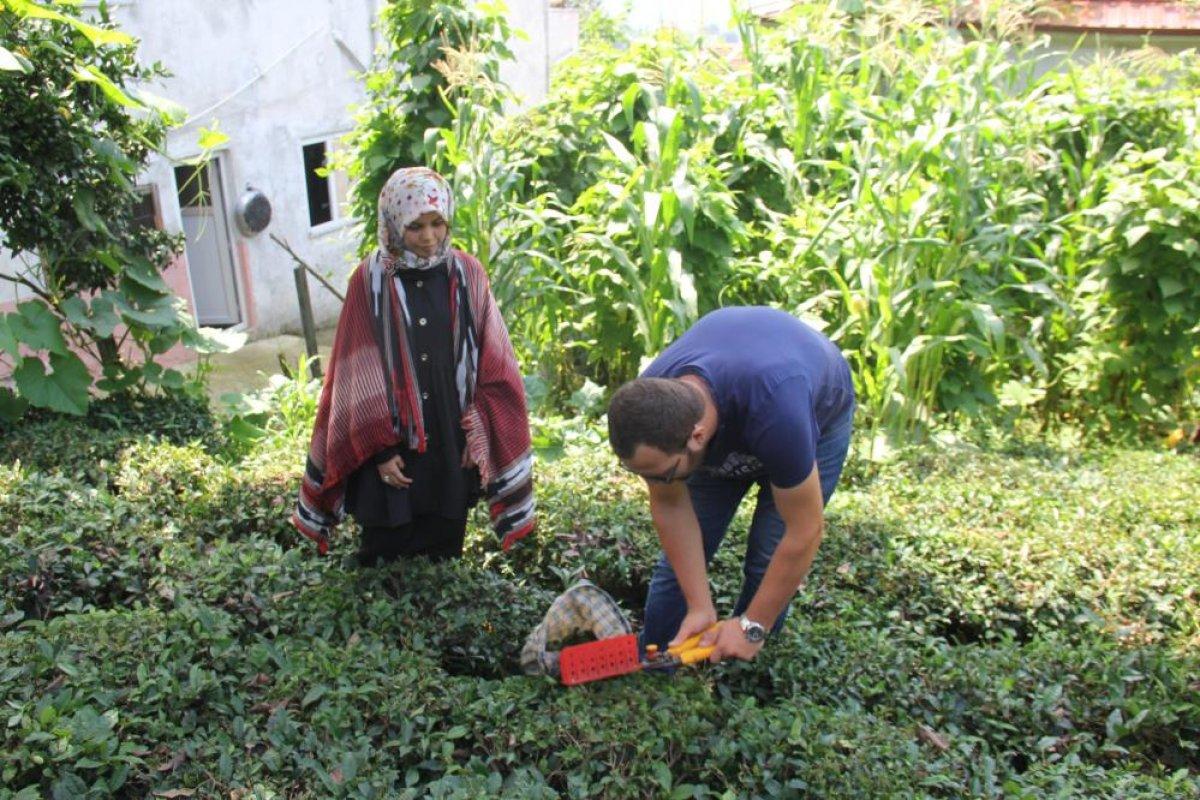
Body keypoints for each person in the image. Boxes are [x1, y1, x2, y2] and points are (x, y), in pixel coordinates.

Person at [293, 167, 535, 563]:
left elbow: (494, 362)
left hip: (449, 441)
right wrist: (380, 453)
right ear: (392, 223)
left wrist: (477, 436)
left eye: (437, 223)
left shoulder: (467, 273)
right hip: (387, 449)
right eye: (415, 226)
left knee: (444, 549)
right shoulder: (368, 280)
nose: (428, 237)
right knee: (383, 553)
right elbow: (355, 374)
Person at [606, 306, 854, 662]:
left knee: (768, 556)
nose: (656, 484)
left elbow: (804, 531)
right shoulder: (651, 408)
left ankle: (745, 664)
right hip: (726, 422)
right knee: (680, 567)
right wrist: (699, 607)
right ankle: (659, 662)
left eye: (661, 474)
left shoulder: (779, 412)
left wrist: (754, 624)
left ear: (697, 435)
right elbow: (670, 503)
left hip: (809, 407)